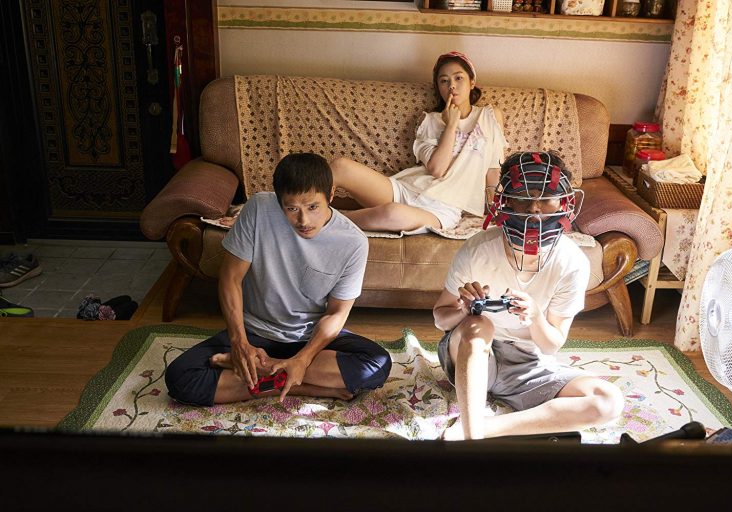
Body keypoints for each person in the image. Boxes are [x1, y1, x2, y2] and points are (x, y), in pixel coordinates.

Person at [165, 153, 392, 405]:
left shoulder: (354, 242)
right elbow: (230, 278)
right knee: (180, 377)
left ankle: (267, 372)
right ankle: (302, 386)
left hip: (309, 338)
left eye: (313, 207)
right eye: (292, 209)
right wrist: (239, 343)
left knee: (377, 364)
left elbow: (336, 314)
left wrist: (303, 359)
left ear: (330, 195)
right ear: (278, 200)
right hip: (254, 334)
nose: (303, 221)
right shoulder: (258, 209)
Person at [432, 151, 624, 440]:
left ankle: (485, 428)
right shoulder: (477, 250)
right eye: (524, 197)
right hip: (472, 356)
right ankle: (472, 438)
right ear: (505, 201)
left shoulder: (572, 262)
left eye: (546, 198)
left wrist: (535, 317)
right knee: (479, 325)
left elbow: (551, 345)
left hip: (529, 364)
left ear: (564, 202)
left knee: (608, 401)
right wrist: (463, 310)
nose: (534, 209)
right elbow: (440, 319)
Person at [331, 51, 507, 233]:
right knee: (340, 166)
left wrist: (499, 210)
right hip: (406, 190)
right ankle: (313, 208)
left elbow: (494, 171)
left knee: (392, 213)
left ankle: (328, 221)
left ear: (472, 82)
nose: (452, 86)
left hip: (441, 209)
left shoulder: (490, 116)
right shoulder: (429, 121)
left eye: (458, 78)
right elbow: (437, 169)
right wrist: (451, 126)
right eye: (444, 81)